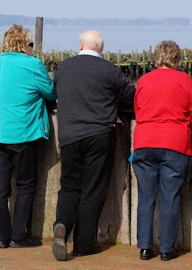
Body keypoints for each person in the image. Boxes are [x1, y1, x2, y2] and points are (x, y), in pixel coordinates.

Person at [51, 30, 135, 261]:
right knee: (93, 190)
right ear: (102, 48)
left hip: (69, 136)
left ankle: (61, 226)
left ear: (80, 45)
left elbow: (53, 92)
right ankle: (82, 244)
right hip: (99, 135)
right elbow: (130, 94)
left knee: (69, 187)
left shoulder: (64, 67)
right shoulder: (109, 70)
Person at [0, 24, 56, 249]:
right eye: (30, 43)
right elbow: (50, 92)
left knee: (0, 187)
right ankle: (18, 236)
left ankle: (1, 237)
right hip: (23, 133)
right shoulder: (33, 65)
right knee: (25, 185)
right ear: (24, 44)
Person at [132, 40, 192, 261]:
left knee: (146, 197)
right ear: (177, 58)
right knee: (170, 198)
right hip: (174, 142)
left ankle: (144, 247)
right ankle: (166, 250)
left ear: (157, 57)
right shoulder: (184, 80)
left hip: (145, 142)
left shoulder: (144, 80)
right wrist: (188, 128)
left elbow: (138, 109)